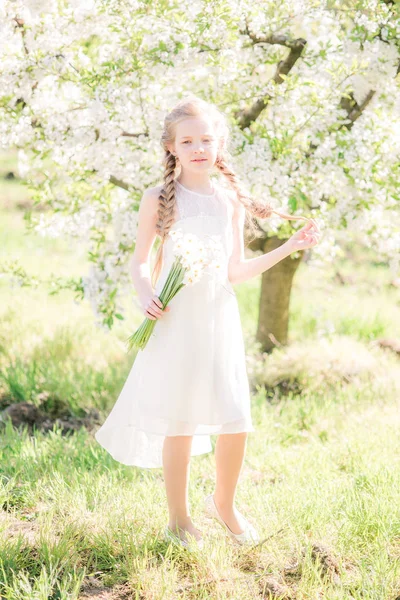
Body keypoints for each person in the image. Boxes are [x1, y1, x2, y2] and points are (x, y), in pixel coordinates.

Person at [94, 96, 320, 549]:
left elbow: (235, 270)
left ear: (219, 145)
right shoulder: (158, 198)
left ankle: (226, 503)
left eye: (207, 139)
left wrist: (288, 246)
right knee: (181, 419)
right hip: (177, 319)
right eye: (188, 140)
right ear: (171, 147)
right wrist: (146, 294)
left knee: (234, 417)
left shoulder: (228, 201)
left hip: (219, 317)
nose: (199, 147)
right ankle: (178, 520)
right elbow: (141, 261)